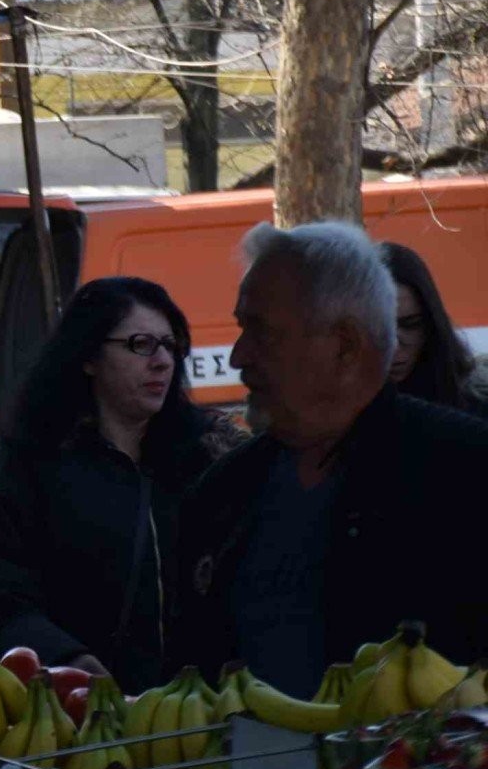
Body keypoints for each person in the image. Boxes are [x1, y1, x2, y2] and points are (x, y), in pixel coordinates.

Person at [170, 223, 488, 695]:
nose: (238, 356)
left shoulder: (465, 470)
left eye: (260, 331)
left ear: (344, 345)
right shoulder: (221, 494)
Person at [0, 278, 230, 689]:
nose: (162, 361)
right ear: (89, 355)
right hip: (78, 717)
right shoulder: (34, 463)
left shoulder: (208, 457)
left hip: (201, 716)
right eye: (141, 344)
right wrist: (68, 659)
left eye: (170, 345)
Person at [381, 242, 488, 417]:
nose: (394, 346)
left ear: (432, 324)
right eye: (381, 328)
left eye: (411, 324)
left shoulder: (477, 401)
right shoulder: (333, 415)